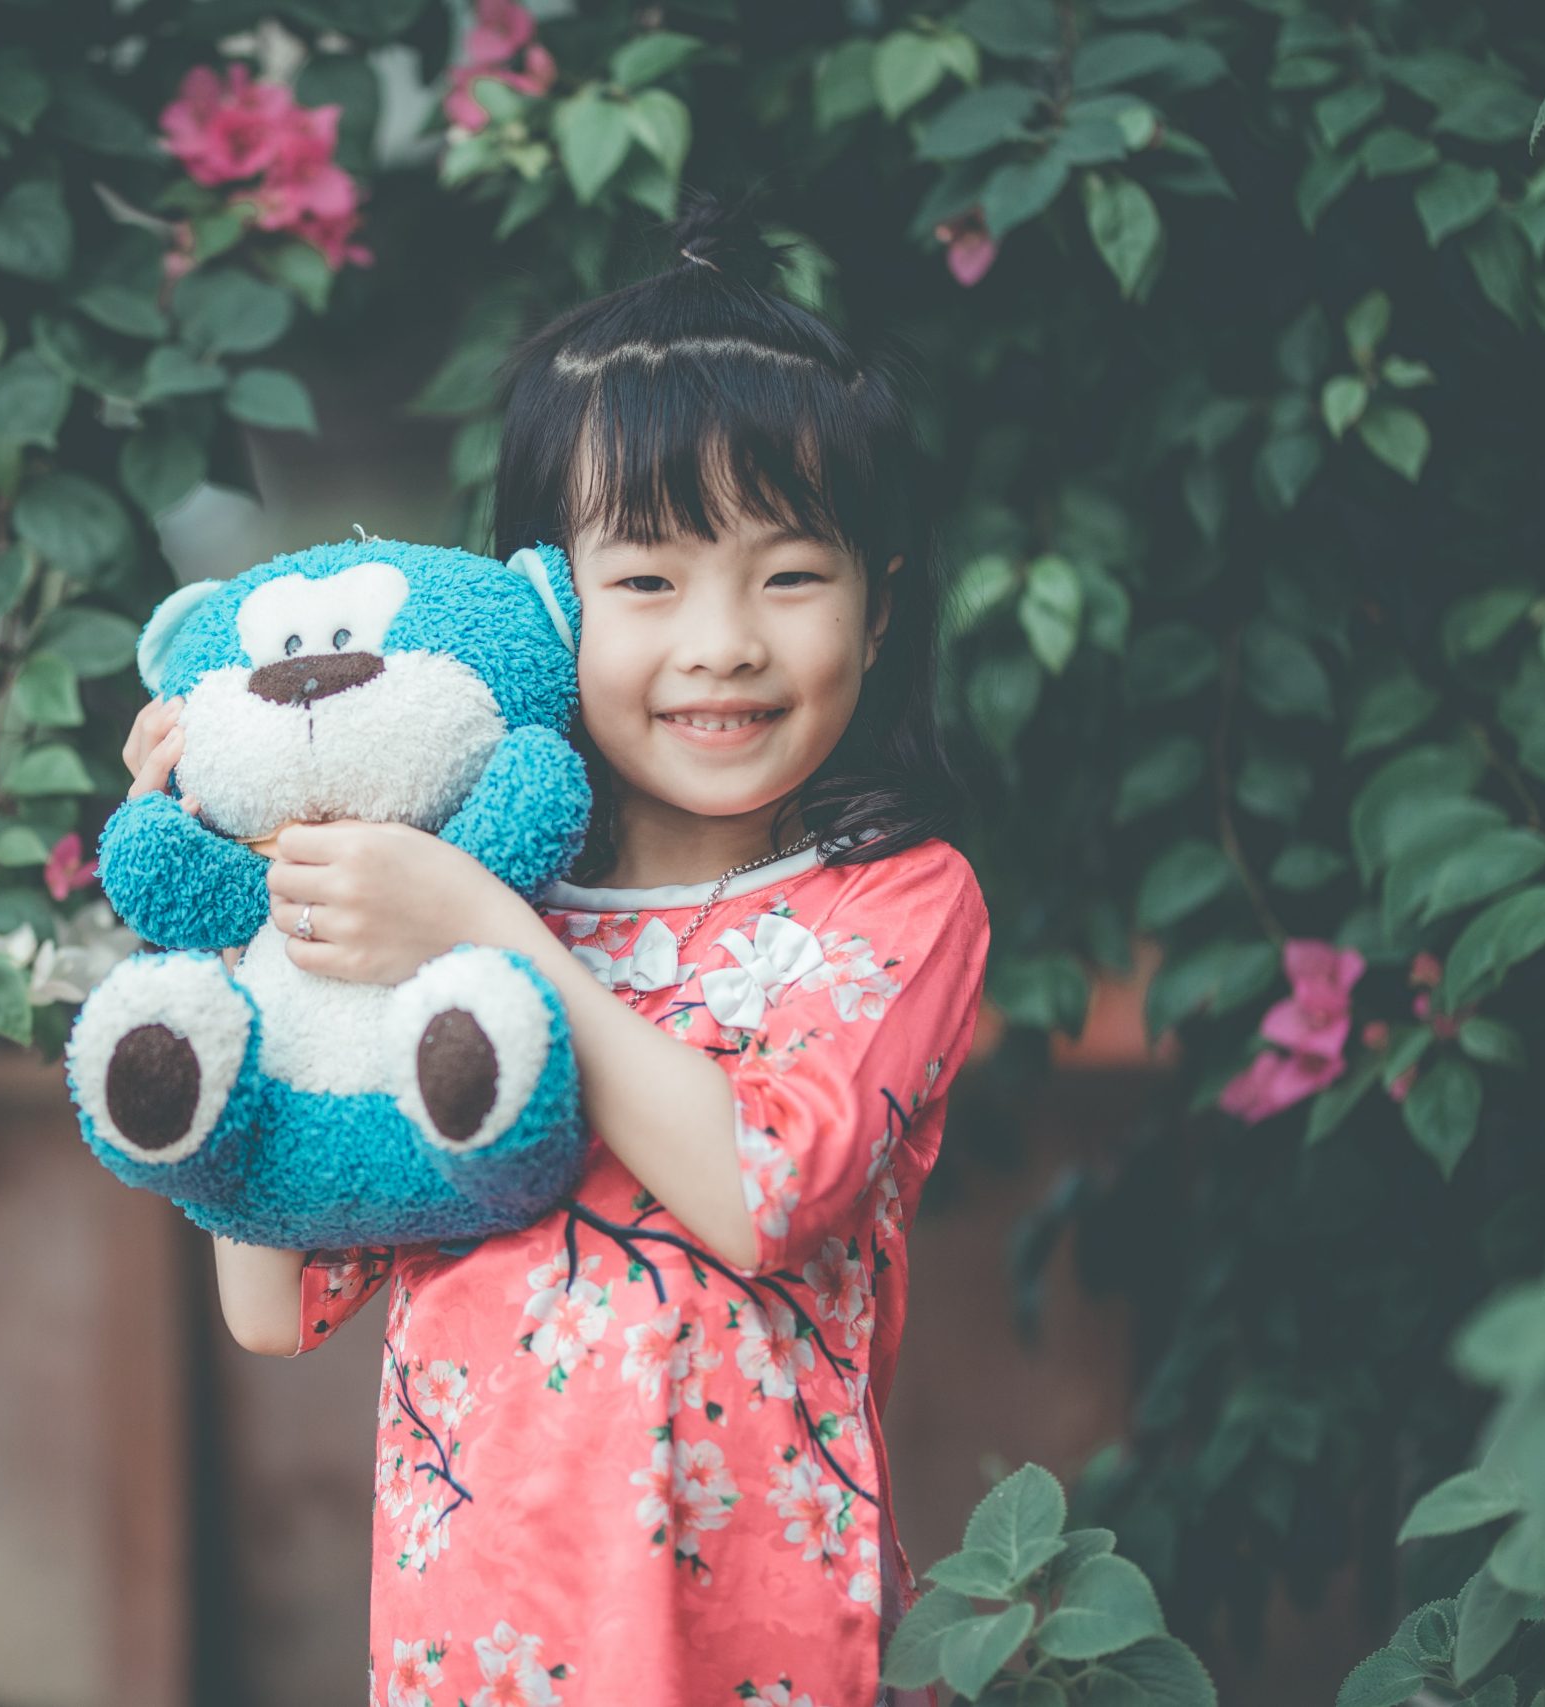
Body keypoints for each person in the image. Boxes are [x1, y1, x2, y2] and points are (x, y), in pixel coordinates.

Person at [119, 189, 989, 1707]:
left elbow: (764, 1188)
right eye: (647, 582)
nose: (721, 640)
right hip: (483, 1653)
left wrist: (485, 931)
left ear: (880, 604)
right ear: (546, 606)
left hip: (767, 1656)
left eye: (790, 576)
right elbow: (271, 1310)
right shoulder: (442, 904)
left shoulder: (897, 900)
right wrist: (251, 912)